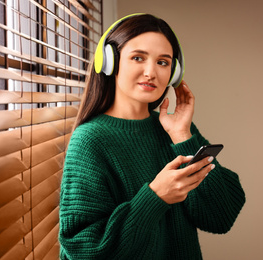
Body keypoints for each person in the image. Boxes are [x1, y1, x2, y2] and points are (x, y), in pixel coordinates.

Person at [59, 13, 245, 260]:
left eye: (163, 62)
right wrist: (156, 197)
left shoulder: (174, 131)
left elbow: (221, 216)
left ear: (174, 72)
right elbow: (85, 250)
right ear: (109, 62)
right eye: (138, 58)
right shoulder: (90, 141)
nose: (151, 72)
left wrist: (182, 135)